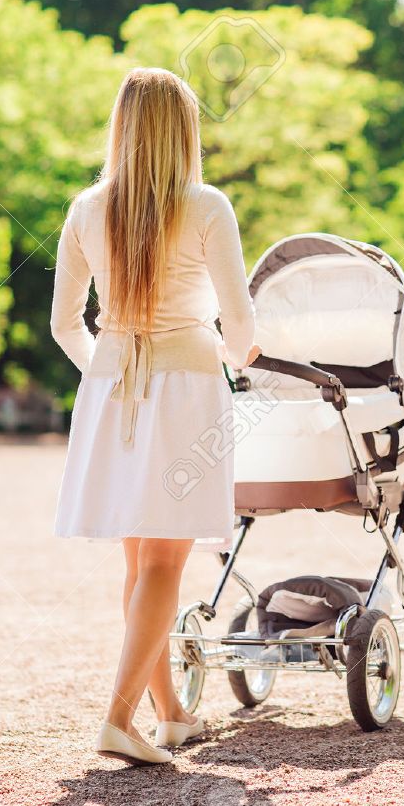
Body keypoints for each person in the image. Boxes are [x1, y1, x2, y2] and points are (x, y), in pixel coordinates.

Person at [50, 67, 258, 766]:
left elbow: (63, 325)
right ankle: (117, 717)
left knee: (140, 563)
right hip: (186, 387)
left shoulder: (85, 209)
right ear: (185, 130)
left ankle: (169, 714)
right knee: (166, 561)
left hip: (112, 389)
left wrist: (112, 376)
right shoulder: (206, 207)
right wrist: (246, 355)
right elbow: (240, 327)